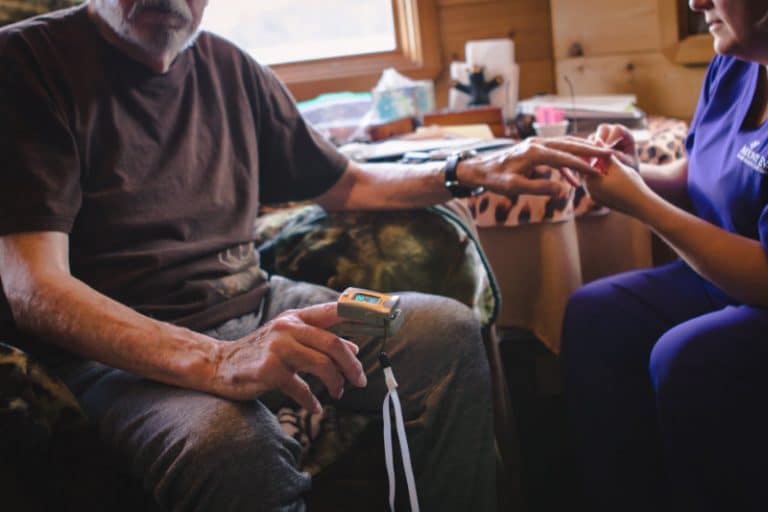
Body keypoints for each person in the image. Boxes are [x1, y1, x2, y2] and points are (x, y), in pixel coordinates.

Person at [0, 1, 614, 510]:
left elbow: (344, 182)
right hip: (122, 358)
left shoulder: (231, 69)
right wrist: (218, 361)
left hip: (258, 301)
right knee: (232, 446)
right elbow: (34, 288)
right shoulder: (28, 63)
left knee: (444, 335)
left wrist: (470, 168)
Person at [561, 0, 768, 510]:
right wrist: (634, 172)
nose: (696, 2)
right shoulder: (734, 60)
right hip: (714, 279)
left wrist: (642, 205)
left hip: (758, 291)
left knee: (685, 356)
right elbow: (696, 174)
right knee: (594, 314)